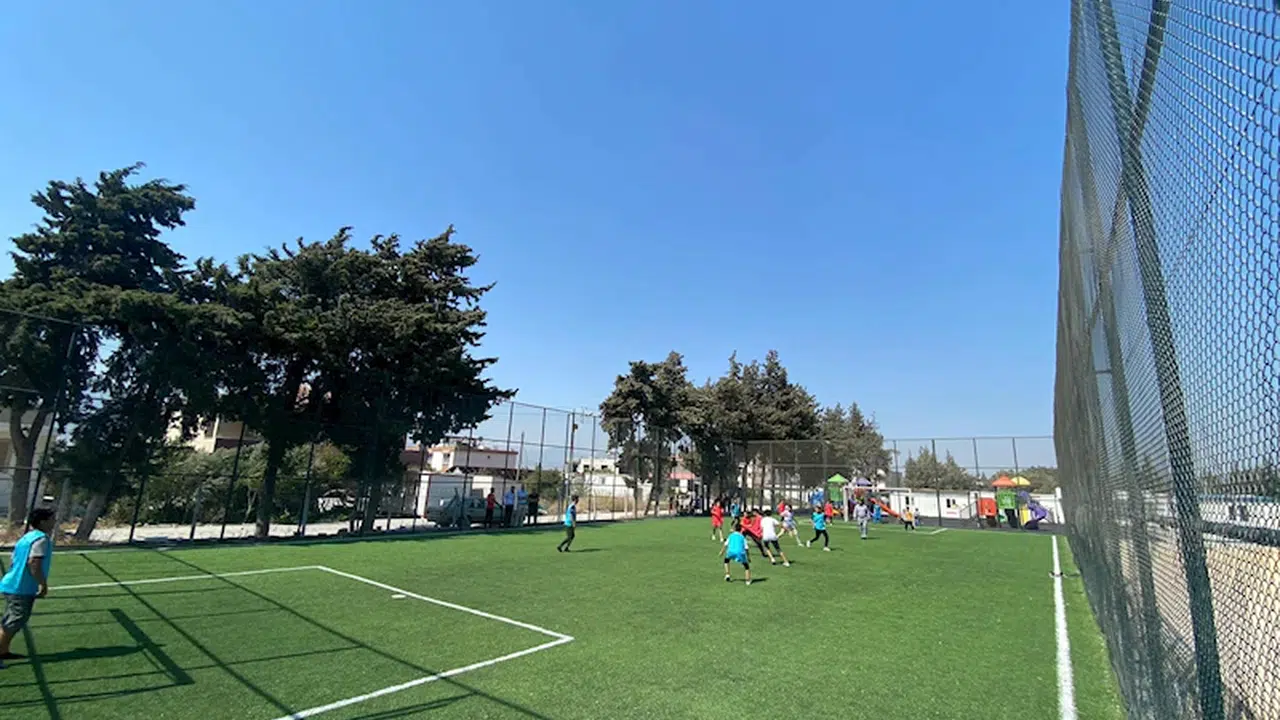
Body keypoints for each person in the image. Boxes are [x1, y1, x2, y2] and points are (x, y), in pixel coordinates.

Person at [0, 508, 56, 666]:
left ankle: (3, 651)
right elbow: (34, 563)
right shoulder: (41, 540)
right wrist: (43, 584)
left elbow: (14, 559)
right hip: (20, 587)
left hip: (13, 583)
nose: (54, 522)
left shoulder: (27, 537)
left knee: (12, 619)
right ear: (43, 522)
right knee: (14, 621)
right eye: (52, 519)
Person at [720, 521, 752, 585]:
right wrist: (748, 557)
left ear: (734, 529)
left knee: (726, 560)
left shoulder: (731, 535)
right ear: (741, 530)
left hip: (731, 551)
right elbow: (746, 548)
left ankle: (727, 574)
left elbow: (725, 544)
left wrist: (721, 552)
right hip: (740, 552)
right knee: (746, 566)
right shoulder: (742, 537)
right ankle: (747, 580)